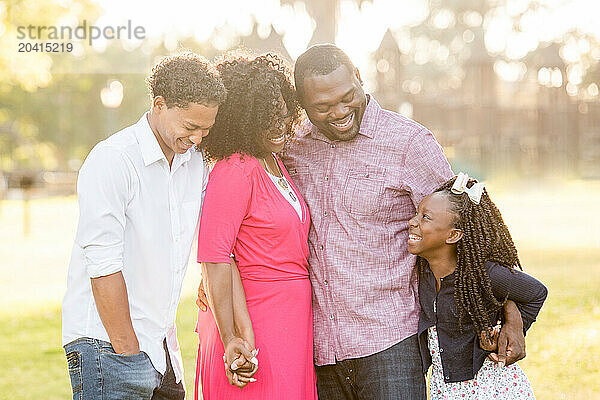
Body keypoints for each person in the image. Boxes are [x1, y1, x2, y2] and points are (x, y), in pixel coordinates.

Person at [280, 44, 527, 399]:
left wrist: (510, 312)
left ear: (359, 79)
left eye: (347, 96)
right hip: (316, 345)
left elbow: (466, 233)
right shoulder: (293, 146)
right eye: (322, 106)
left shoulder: (410, 143)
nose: (339, 111)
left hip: (391, 342)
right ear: (302, 104)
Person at [61, 53, 226, 400]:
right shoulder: (113, 160)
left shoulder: (195, 164)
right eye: (190, 127)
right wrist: (128, 354)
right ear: (159, 104)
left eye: (205, 129)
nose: (197, 139)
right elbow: (103, 265)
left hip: (162, 348)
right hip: (107, 347)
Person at [194, 53, 318, 400]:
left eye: (283, 115)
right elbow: (214, 256)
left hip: (290, 320)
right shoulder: (235, 168)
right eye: (267, 119)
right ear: (243, 120)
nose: (280, 126)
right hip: (254, 320)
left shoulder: (275, 162)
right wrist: (233, 335)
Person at [409, 173, 547, 399]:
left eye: (425, 217)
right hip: (444, 388)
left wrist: (512, 331)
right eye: (416, 213)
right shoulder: (422, 272)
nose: (413, 221)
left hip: (489, 389)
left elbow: (536, 292)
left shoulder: (482, 274)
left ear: (453, 235)